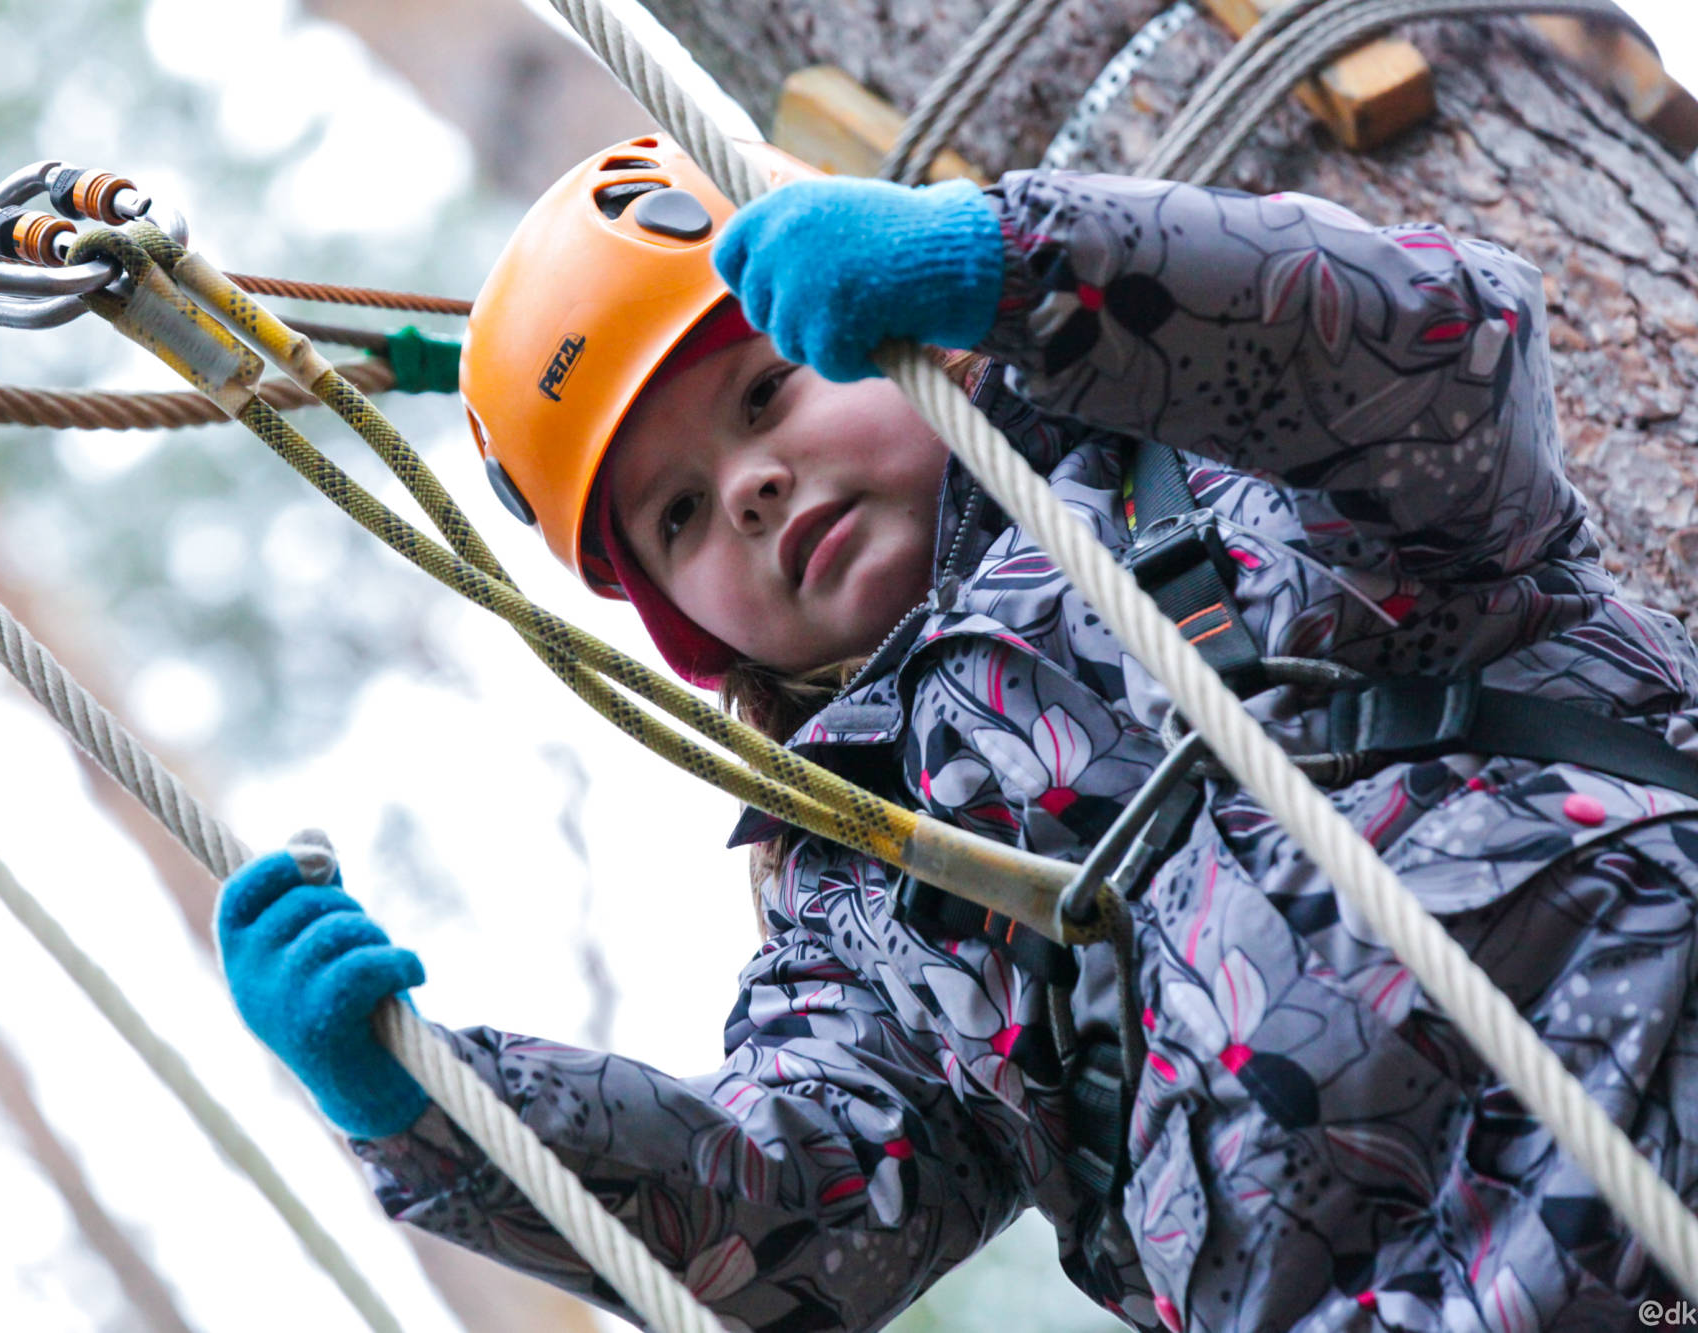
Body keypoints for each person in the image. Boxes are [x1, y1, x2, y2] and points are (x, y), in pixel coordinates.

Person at [215, 134, 1698, 1330]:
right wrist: (430, 1110)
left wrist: (1019, 268)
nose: (749, 486)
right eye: (677, 514)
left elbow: (1438, 348)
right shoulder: (863, 908)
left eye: (765, 391)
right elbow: (783, 1217)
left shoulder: (1228, 468)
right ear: (687, 623)